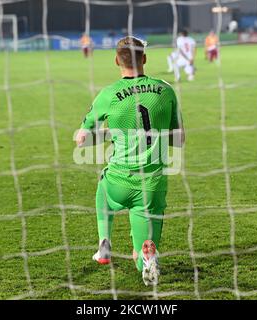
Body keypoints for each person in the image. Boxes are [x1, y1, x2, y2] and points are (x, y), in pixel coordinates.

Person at [75, 36, 185, 286]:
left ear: (117, 61)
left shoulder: (108, 94)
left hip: (119, 179)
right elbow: (179, 140)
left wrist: (110, 133)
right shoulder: (166, 90)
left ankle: (104, 243)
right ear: (144, 59)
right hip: (153, 184)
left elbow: (82, 139)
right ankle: (146, 256)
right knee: (143, 247)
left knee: (103, 187)